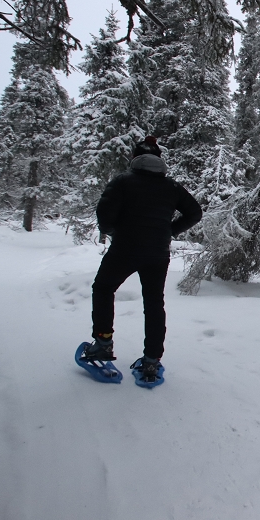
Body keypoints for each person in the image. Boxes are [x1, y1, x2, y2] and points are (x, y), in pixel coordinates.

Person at [81, 136, 202, 386]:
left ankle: (103, 342)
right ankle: (151, 360)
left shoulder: (123, 182)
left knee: (104, 288)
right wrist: (169, 230)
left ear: (135, 159)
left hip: (125, 249)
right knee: (154, 303)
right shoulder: (172, 187)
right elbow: (195, 212)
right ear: (159, 160)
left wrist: (114, 231)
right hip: (157, 253)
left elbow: (104, 215)